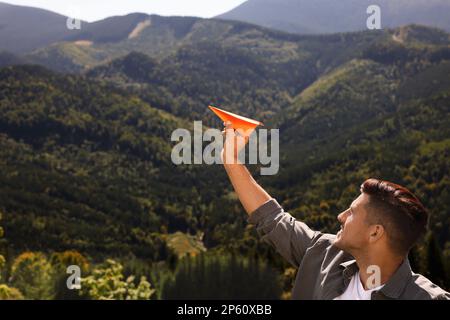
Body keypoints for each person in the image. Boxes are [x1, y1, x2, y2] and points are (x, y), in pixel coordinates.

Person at [221, 122, 449, 300]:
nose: (341, 216)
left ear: (375, 233)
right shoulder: (323, 253)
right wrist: (231, 162)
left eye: (351, 212)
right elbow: (272, 218)